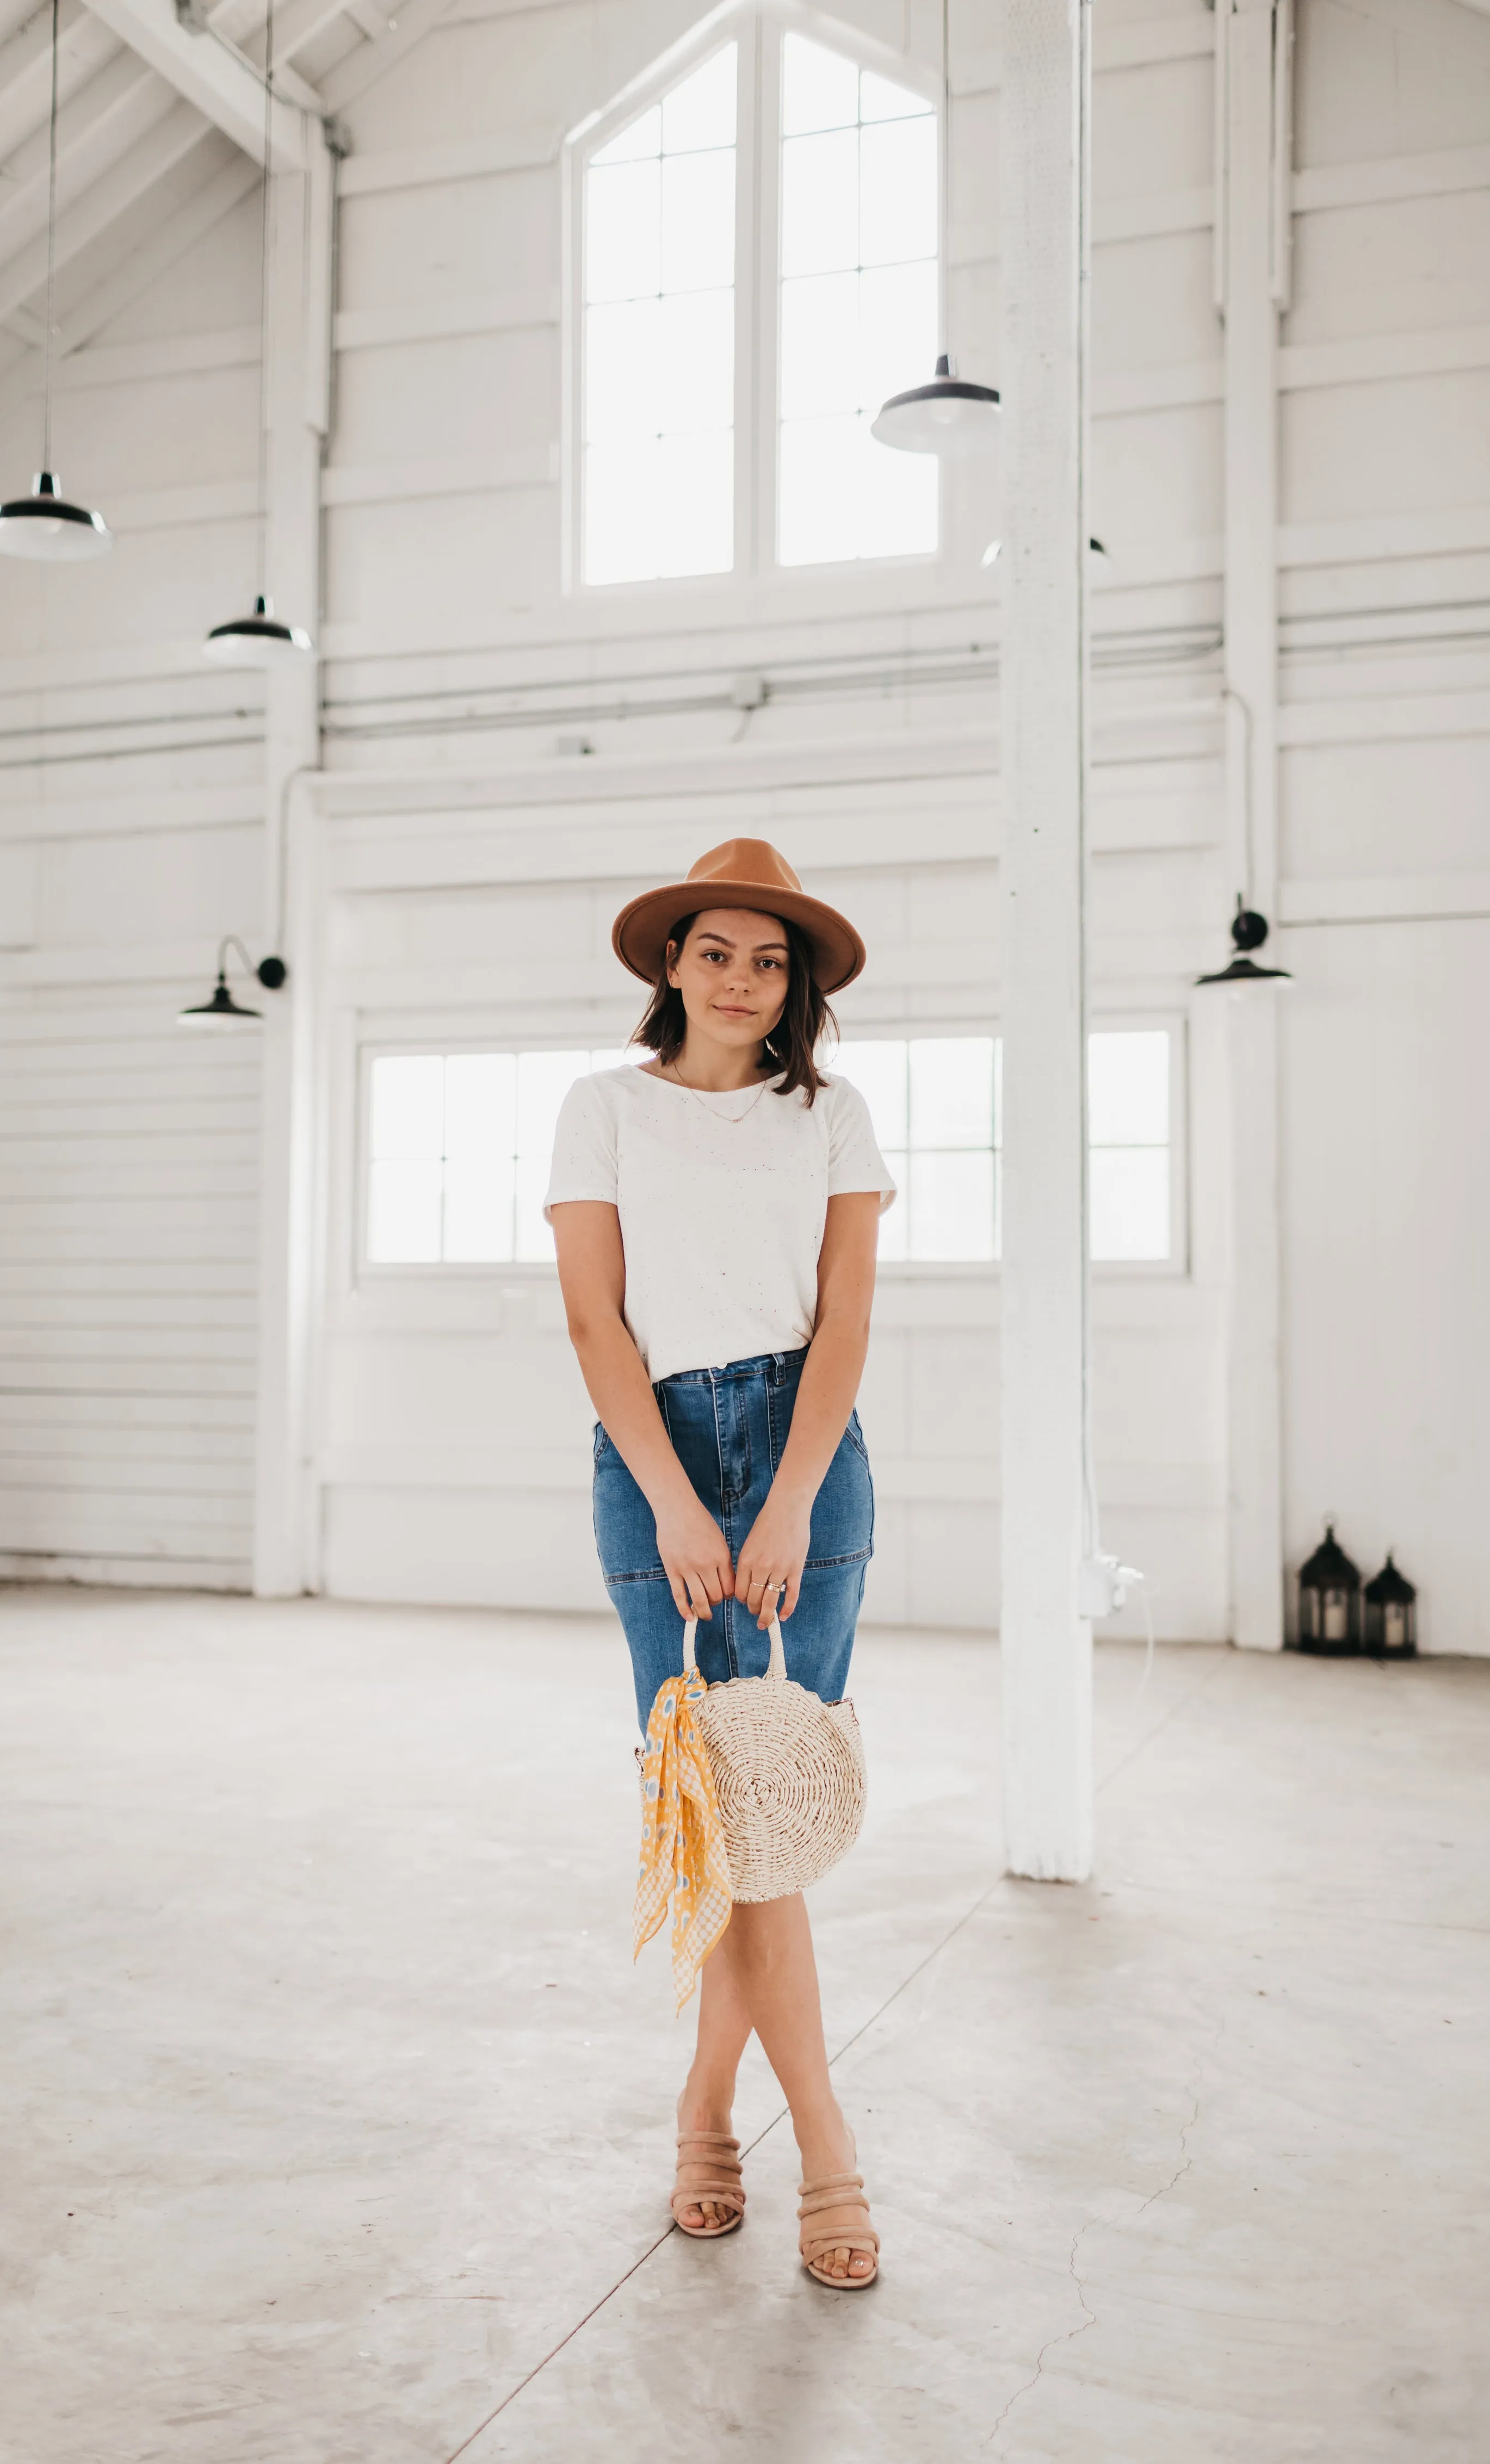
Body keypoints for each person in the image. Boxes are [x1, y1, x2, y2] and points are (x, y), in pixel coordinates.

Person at [545, 839, 894, 2289]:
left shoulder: (833, 1116)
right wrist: (679, 1505)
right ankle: (818, 2141)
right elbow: (594, 1327)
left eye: (771, 958)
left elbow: (847, 1328)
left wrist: (791, 1500)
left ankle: (716, 2122)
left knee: (771, 1816)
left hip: (812, 1464)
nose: (742, 978)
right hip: (655, 1467)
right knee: (714, 1810)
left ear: (794, 979)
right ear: (670, 964)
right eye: (716, 951)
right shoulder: (601, 1110)